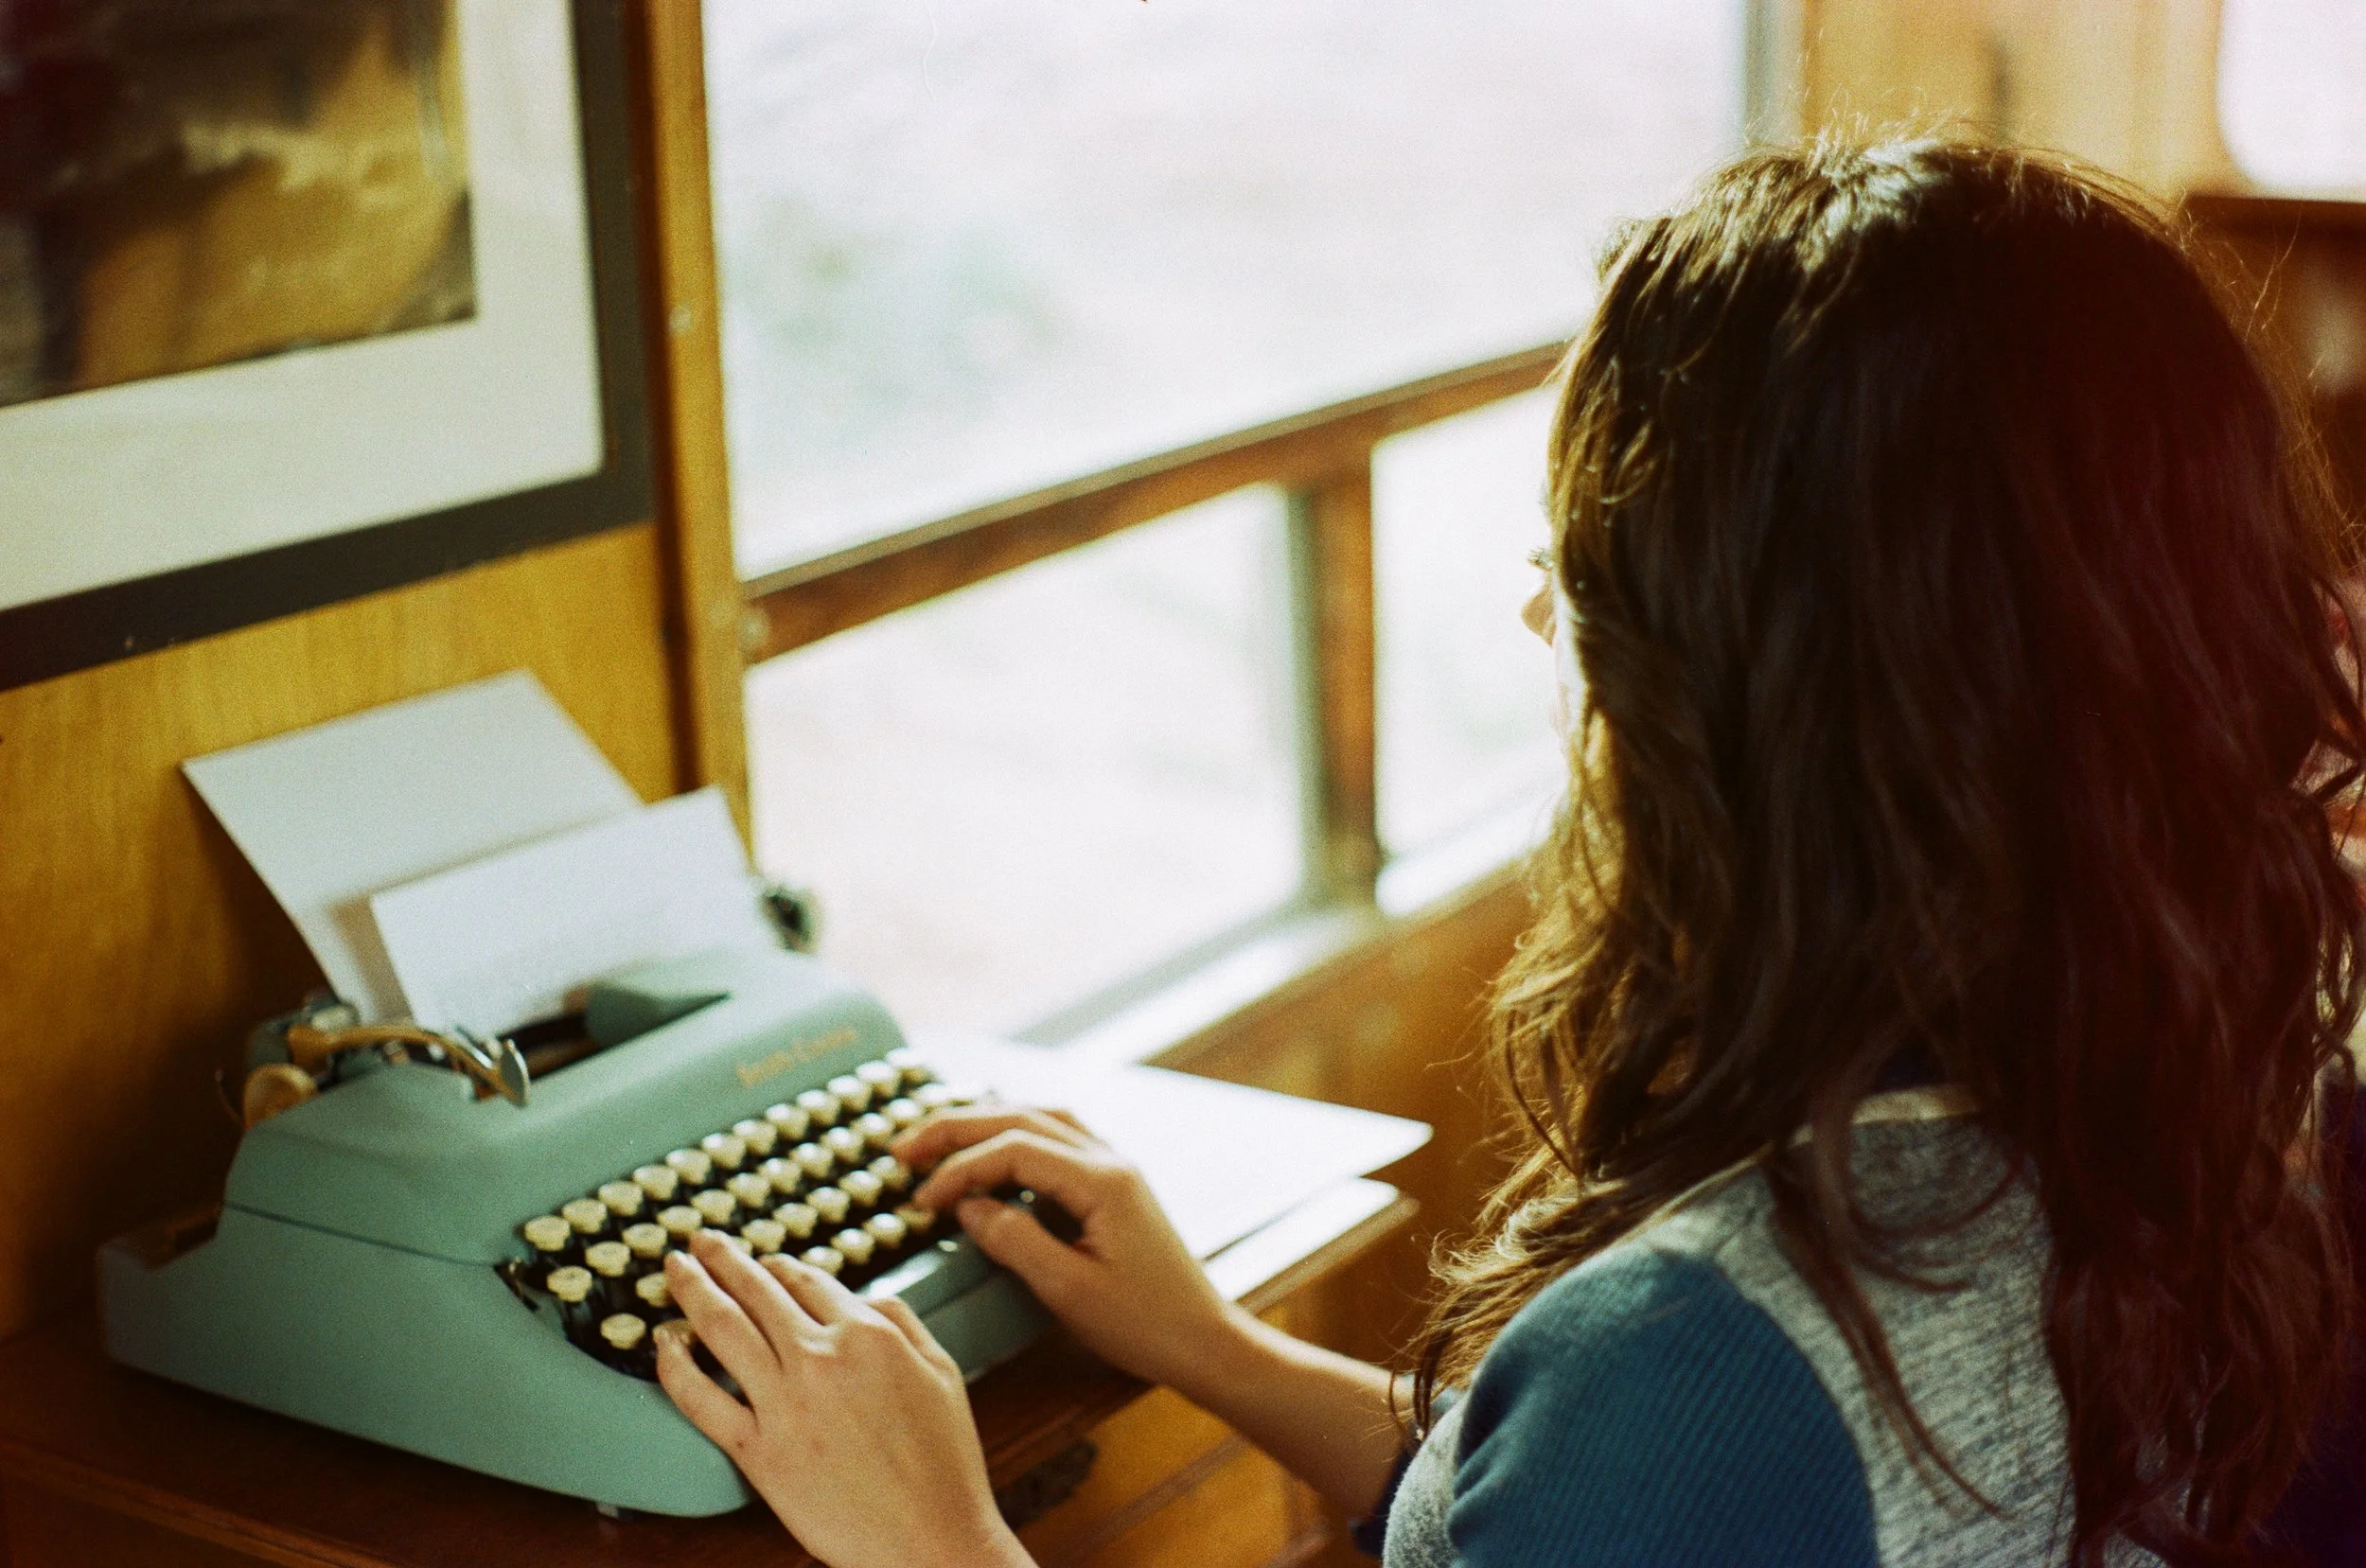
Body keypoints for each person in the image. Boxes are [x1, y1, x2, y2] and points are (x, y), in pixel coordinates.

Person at [653, 138, 2366, 1567]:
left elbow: (1659, 1484)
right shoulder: (2193, 1115)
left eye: (1592, 569)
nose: (1542, 612)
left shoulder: (1698, 1353)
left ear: (1758, 700)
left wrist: (936, 1535)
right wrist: (1215, 1351)